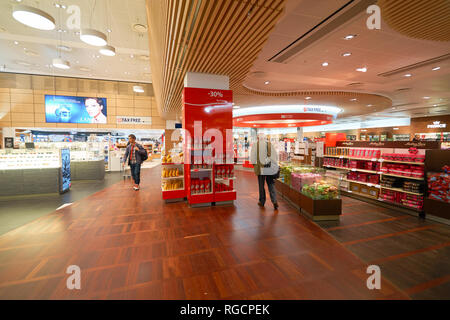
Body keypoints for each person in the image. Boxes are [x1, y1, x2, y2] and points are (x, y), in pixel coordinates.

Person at [250, 134, 279, 210]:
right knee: (271, 184)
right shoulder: (269, 144)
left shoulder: (255, 145)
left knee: (261, 185)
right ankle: (274, 200)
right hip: (269, 167)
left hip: (261, 168)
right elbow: (275, 155)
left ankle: (262, 201)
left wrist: (255, 165)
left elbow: (252, 157)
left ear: (258, 138)